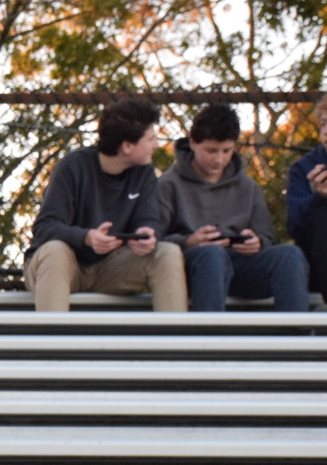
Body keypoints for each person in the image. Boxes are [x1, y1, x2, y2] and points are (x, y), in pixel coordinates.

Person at [23, 97, 187, 312]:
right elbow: (45, 228)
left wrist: (147, 234)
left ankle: (174, 342)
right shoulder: (73, 166)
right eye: (151, 139)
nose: (156, 144)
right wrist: (87, 237)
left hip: (111, 268)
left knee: (168, 253)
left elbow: (149, 219)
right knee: (55, 251)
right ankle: (54, 344)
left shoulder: (144, 173)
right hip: (62, 268)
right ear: (127, 146)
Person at [158, 103, 308, 312]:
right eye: (211, 151)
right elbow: (156, 239)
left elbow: (265, 236)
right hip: (192, 269)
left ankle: (298, 338)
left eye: (227, 151)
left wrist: (256, 242)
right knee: (212, 255)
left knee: (289, 255)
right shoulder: (168, 184)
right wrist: (189, 241)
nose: (219, 159)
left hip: (241, 266)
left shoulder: (248, 187)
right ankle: (206, 340)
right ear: (193, 143)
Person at [286, 92, 327, 297]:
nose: (326, 131)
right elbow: (295, 227)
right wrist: (318, 197)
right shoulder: (303, 168)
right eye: (324, 124)